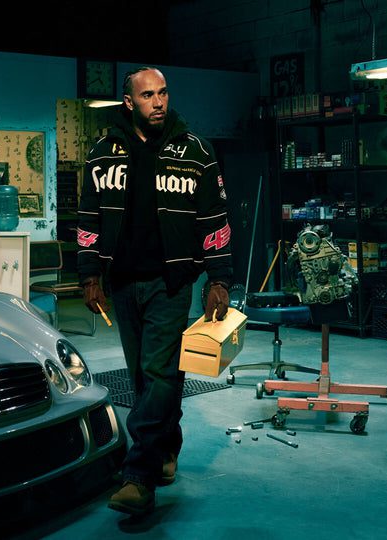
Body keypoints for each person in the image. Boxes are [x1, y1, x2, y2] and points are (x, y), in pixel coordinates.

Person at [76, 66, 233, 515]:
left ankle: (138, 474)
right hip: (122, 281)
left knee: (159, 373)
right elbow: (88, 218)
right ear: (130, 102)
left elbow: (214, 221)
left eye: (163, 93)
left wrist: (219, 280)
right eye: (148, 95)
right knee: (149, 378)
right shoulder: (102, 153)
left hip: (171, 282)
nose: (158, 102)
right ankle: (167, 448)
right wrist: (89, 275)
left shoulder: (196, 151)